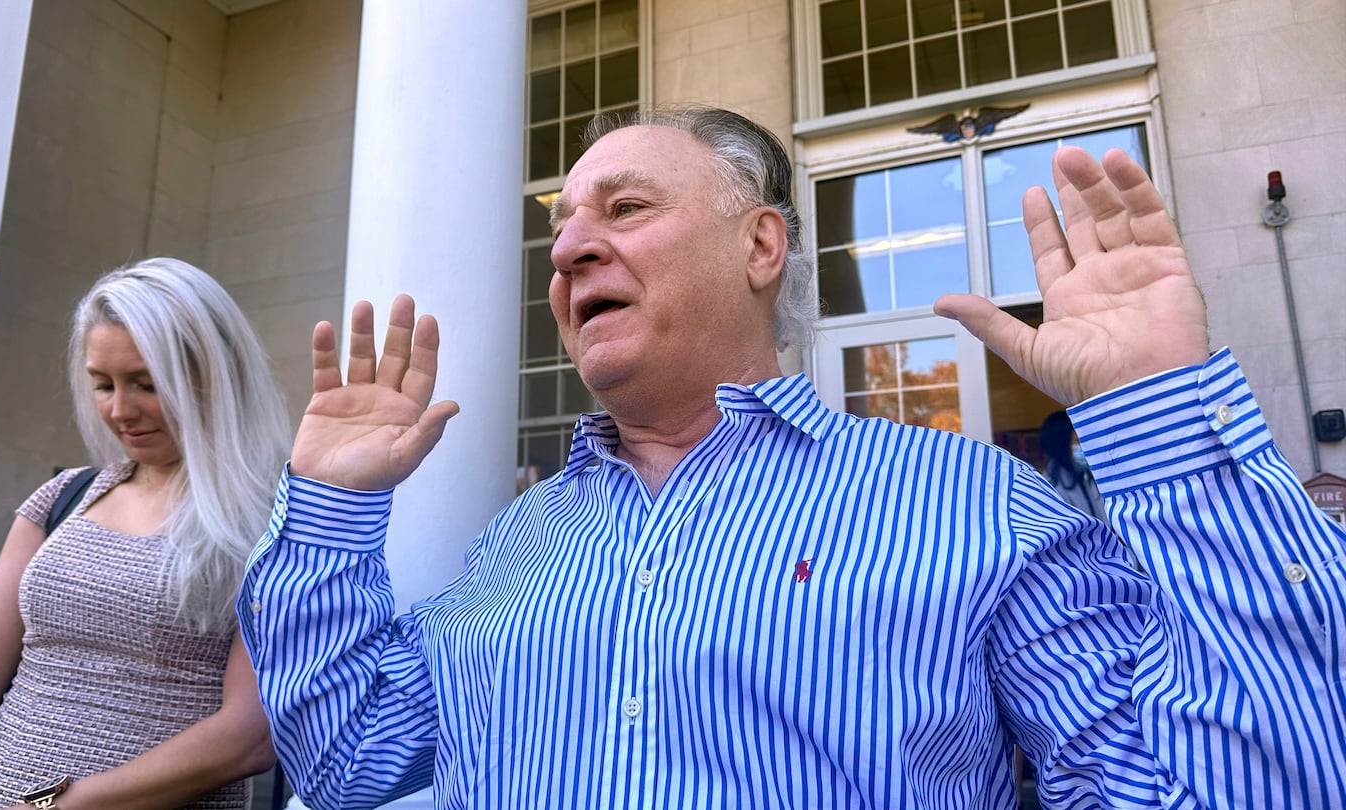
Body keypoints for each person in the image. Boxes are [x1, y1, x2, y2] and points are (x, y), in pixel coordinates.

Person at [238, 107, 1346, 808]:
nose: (571, 246)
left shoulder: (973, 509)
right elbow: (349, 764)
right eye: (563, 226)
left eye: (624, 208)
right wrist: (331, 512)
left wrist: (1164, 422)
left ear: (762, 243)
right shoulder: (517, 542)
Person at [0, 259, 293, 809]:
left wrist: (59, 806)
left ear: (216, 375)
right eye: (102, 384)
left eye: (146, 383)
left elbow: (249, 736)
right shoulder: (63, 498)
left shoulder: (273, 518)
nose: (120, 410)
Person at [1038, 410, 1103, 519]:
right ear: (1062, 445)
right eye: (1078, 441)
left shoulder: (1085, 475)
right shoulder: (1049, 488)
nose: (1084, 446)